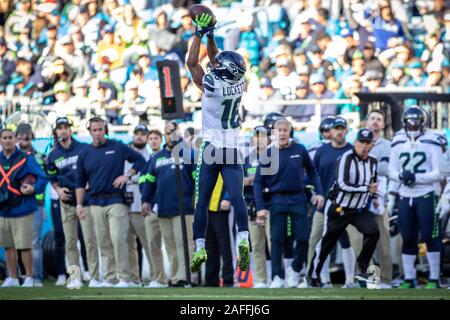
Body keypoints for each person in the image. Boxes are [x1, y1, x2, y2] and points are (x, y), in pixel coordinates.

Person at [186, 12, 250, 272]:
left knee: (201, 201)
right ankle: (244, 239)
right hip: (233, 149)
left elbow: (193, 63)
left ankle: (200, 246)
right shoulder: (239, 82)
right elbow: (217, 60)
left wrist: (200, 34)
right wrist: (213, 35)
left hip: (212, 148)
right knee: (238, 197)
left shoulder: (212, 84)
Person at [75, 117, 146, 288]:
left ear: (105, 129)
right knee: (103, 241)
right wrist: (78, 205)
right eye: (94, 130)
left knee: (118, 238)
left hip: (116, 200)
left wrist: (127, 175)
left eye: (100, 129)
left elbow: (140, 161)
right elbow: (79, 182)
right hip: (95, 203)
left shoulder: (117, 146)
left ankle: (124, 278)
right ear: (89, 131)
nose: (98, 133)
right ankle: (110, 278)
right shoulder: (84, 153)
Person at [304, 128, 379, 288]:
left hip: (358, 208)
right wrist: (366, 189)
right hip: (339, 207)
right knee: (327, 243)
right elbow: (343, 183)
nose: (364, 146)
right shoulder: (346, 158)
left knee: (373, 232)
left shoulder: (373, 161)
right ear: (356, 142)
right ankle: (313, 275)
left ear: (372, 144)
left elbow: (373, 182)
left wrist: (375, 198)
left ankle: (362, 269)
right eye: (362, 142)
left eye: (368, 143)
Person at [254, 118, 325, 288]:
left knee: (302, 237)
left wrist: (320, 193)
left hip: (298, 198)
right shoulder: (268, 154)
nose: (282, 133)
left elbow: (312, 172)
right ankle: (277, 276)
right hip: (276, 200)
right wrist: (260, 207)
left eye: (285, 130)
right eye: (279, 130)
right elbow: (258, 182)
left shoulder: (299, 149)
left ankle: (295, 271)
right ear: (273, 133)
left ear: (290, 131)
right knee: (276, 238)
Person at [388, 106, 443, 289]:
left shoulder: (432, 140)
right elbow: (391, 170)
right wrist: (401, 177)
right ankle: (409, 278)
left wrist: (416, 178)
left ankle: (434, 278)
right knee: (408, 237)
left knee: (429, 235)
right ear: (404, 122)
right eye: (409, 121)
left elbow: (439, 173)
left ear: (423, 121)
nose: (412, 124)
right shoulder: (397, 140)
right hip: (405, 195)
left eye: (416, 120)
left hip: (426, 194)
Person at [47, 117, 100, 289]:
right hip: (66, 201)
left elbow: (92, 168)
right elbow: (52, 176)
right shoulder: (53, 154)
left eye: (66, 128)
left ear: (70, 130)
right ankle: (75, 277)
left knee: (89, 239)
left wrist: (89, 182)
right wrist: (58, 189)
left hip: (84, 200)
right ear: (56, 132)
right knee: (70, 241)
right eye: (60, 128)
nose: (63, 131)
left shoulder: (83, 148)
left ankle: (94, 276)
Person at [141, 122, 196, 287]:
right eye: (167, 132)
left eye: (174, 131)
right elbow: (150, 182)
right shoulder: (157, 158)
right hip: (164, 209)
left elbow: (198, 180)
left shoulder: (189, 154)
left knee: (183, 243)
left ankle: (185, 277)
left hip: (184, 207)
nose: (171, 135)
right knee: (170, 245)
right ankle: (175, 277)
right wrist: (145, 200)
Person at [305, 117, 356, 289]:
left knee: (348, 242)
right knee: (316, 240)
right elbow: (313, 175)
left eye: (342, 128)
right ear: (331, 131)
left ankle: (351, 279)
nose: (339, 131)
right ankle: (319, 278)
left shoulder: (353, 150)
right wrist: (315, 194)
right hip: (324, 205)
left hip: (347, 206)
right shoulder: (321, 151)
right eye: (336, 128)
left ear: (346, 131)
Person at [0, 129, 48, 288]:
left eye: (10, 137)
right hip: (4, 209)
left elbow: (43, 177)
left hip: (23, 208)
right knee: (8, 245)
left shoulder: (26, 158)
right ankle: (12, 277)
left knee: (25, 245)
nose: (7, 140)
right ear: (0, 140)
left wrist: (34, 189)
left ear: (15, 140)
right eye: (4, 138)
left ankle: (29, 277)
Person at [15, 123, 48, 288]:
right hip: (16, 204)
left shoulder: (41, 157)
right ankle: (17, 277)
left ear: (31, 137)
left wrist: (41, 204)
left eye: (26, 138)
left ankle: (36, 277)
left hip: (36, 204)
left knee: (34, 241)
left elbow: (45, 180)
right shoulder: (10, 156)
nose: (23, 141)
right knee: (16, 242)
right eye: (20, 138)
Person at [125, 124, 156, 287]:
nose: (139, 137)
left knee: (148, 242)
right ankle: (134, 279)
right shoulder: (125, 154)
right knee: (129, 244)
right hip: (125, 204)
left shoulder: (151, 156)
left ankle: (155, 276)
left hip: (142, 204)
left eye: (142, 134)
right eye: (137, 134)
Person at [366, 109, 393, 289]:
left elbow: (383, 169)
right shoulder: (358, 141)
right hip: (360, 195)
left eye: (379, 119)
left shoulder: (388, 145)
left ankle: (386, 279)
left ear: (383, 124)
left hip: (379, 195)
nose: (375, 122)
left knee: (383, 236)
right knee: (363, 237)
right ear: (366, 122)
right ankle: (370, 278)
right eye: (372, 118)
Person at [243, 125, 271, 288]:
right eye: (257, 136)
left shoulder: (275, 156)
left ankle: (277, 276)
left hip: (270, 205)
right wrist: (247, 181)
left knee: (274, 242)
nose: (259, 139)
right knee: (257, 243)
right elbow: (238, 180)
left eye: (263, 136)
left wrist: (256, 178)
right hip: (252, 205)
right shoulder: (247, 159)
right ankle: (261, 279)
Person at [141, 129, 168, 288]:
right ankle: (159, 278)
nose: (153, 141)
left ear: (161, 139)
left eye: (156, 138)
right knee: (153, 245)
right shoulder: (146, 162)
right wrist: (146, 201)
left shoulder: (169, 157)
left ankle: (181, 278)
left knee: (173, 245)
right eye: (150, 138)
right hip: (152, 209)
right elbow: (143, 185)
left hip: (168, 207)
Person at [204, 174, 234, 287]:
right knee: (209, 246)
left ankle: (228, 279)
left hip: (222, 209)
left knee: (225, 246)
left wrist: (227, 197)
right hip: (206, 209)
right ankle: (211, 279)